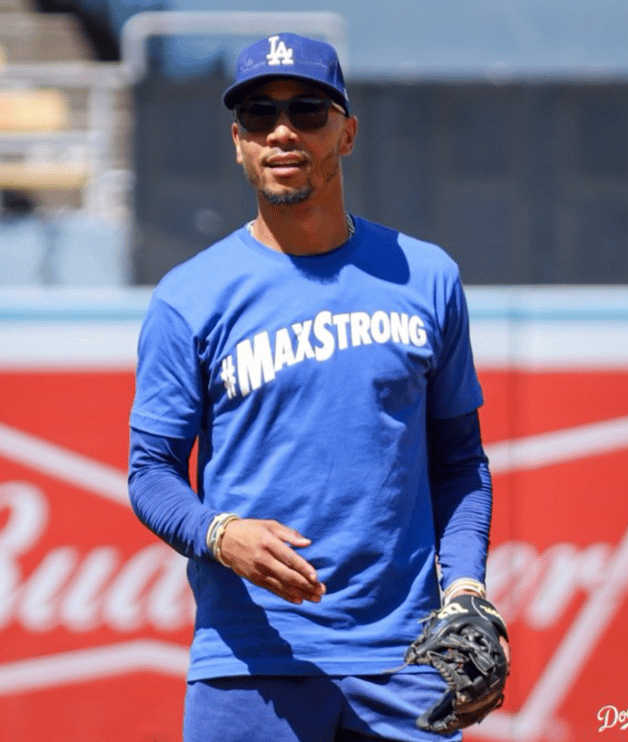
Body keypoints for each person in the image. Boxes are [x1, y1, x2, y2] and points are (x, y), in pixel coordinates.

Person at [127, 32, 500, 742]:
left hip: (405, 664)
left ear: (347, 134)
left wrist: (466, 587)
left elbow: (461, 464)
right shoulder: (189, 297)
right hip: (248, 662)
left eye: (308, 111)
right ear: (238, 141)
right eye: (260, 115)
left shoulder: (426, 278)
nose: (283, 131)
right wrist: (218, 532)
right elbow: (150, 472)